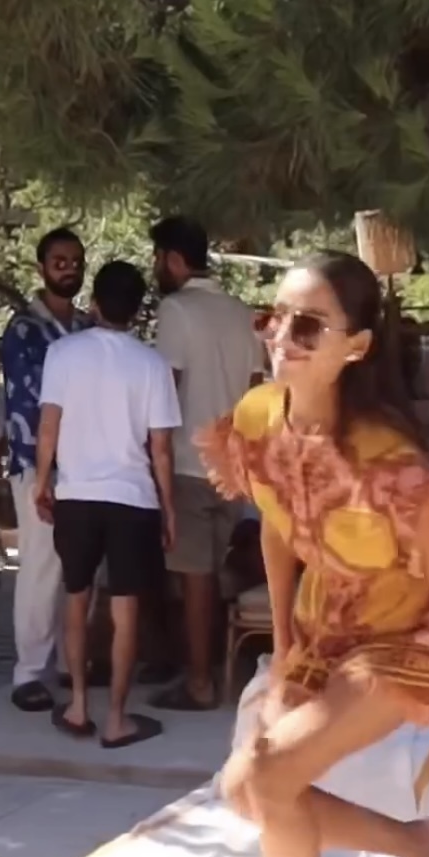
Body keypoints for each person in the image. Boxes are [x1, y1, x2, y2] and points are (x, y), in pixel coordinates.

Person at [199, 251, 429, 857]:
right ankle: (413, 842)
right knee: (241, 790)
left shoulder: (388, 461)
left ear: (355, 346)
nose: (281, 336)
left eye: (307, 325)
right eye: (273, 318)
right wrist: (283, 649)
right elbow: (278, 531)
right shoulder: (257, 418)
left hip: (406, 638)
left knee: (272, 774)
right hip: (326, 627)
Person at [34, 259, 179, 749]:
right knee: (125, 608)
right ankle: (117, 718)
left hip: (76, 495)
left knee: (76, 597)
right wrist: (169, 509)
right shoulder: (152, 364)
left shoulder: (62, 353)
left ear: (94, 303)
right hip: (133, 499)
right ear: (137, 311)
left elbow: (48, 426)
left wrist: (42, 481)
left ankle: (78, 706)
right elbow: (161, 448)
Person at [150, 216, 264, 711]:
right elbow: (258, 388)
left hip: (188, 460)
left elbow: (165, 388)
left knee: (194, 577)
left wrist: (148, 452)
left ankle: (199, 681)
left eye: (158, 258)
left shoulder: (176, 309)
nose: (156, 267)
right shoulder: (241, 311)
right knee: (216, 572)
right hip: (232, 463)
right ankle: (216, 665)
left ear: (175, 259)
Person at [1, 227, 89, 712]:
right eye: (60, 261)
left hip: (85, 463)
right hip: (38, 464)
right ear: (41, 268)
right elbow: (26, 403)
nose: (69, 269)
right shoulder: (23, 330)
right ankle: (29, 671)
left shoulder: (86, 327)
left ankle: (68, 661)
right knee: (40, 566)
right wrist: (41, 474)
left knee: (77, 565)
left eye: (76, 261)